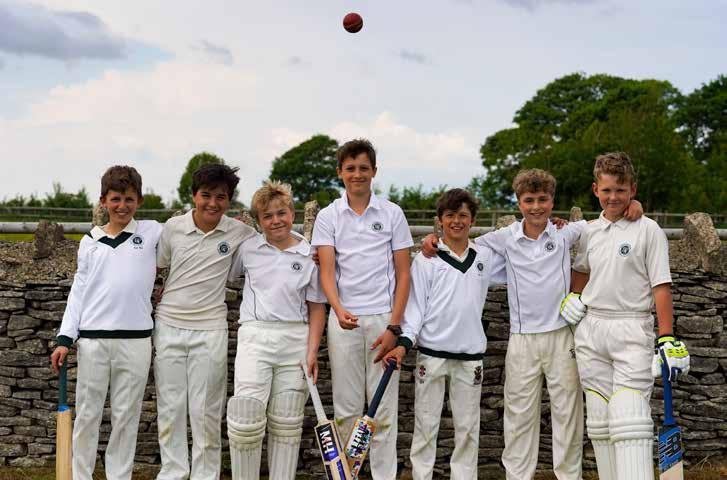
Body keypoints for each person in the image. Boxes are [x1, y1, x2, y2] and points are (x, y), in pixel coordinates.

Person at [421, 169, 643, 479]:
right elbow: (458, 242)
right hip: (522, 338)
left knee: (567, 413)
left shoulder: (567, 233)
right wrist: (432, 240)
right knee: (519, 415)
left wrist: (634, 205)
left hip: (561, 336)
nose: (536, 207)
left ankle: (569, 476)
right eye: (529, 200)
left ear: (552, 201)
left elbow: (605, 219)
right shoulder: (505, 237)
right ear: (519, 202)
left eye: (542, 199)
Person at [566, 152, 690, 480]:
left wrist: (666, 337)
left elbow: (661, 286)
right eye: (607, 190)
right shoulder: (589, 231)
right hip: (591, 328)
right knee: (600, 421)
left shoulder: (648, 230)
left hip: (632, 326)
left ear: (632, 189)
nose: (613, 197)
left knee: (630, 419)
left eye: (620, 190)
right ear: (595, 189)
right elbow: (582, 271)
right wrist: (574, 296)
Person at [384, 188, 505, 479]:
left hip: (470, 358)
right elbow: (415, 308)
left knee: (467, 430)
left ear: (473, 219)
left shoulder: (485, 256)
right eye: (450, 215)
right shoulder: (426, 259)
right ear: (439, 220)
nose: (456, 221)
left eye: (463, 215)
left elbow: (523, 251)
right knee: (426, 427)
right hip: (432, 355)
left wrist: (557, 226)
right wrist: (404, 343)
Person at [50, 165, 162, 480]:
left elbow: (190, 230)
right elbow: (79, 290)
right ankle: (81, 475)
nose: (122, 206)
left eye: (129, 199)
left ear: (139, 201)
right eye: (115, 199)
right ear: (103, 201)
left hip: (136, 341)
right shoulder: (90, 241)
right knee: (88, 414)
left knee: (126, 416)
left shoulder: (152, 232)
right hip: (93, 341)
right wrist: (65, 338)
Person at [311, 138, 413, 479]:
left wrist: (394, 327)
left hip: (383, 320)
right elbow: (327, 272)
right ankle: (348, 476)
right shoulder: (328, 216)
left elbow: (403, 273)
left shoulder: (392, 213)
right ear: (340, 172)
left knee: (383, 412)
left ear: (374, 171)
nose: (357, 174)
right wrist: (338, 309)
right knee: (347, 410)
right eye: (351, 168)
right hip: (345, 322)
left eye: (364, 168)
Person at [154, 163, 256, 480]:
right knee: (170, 407)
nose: (212, 203)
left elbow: (274, 242)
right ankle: (173, 472)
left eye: (221, 197)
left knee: (207, 410)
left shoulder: (240, 232)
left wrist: (310, 252)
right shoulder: (173, 228)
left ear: (229, 200)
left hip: (210, 330)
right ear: (194, 195)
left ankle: (205, 474)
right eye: (206, 195)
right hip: (169, 326)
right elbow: (158, 267)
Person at [225, 181, 327, 480]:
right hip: (255, 336)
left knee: (288, 419)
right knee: (246, 417)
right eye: (267, 216)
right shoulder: (249, 248)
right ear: (259, 221)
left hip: (295, 340)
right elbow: (225, 274)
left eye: (281, 213)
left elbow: (317, 307)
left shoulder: (309, 254)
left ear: (292, 213)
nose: (276, 221)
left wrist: (312, 352)